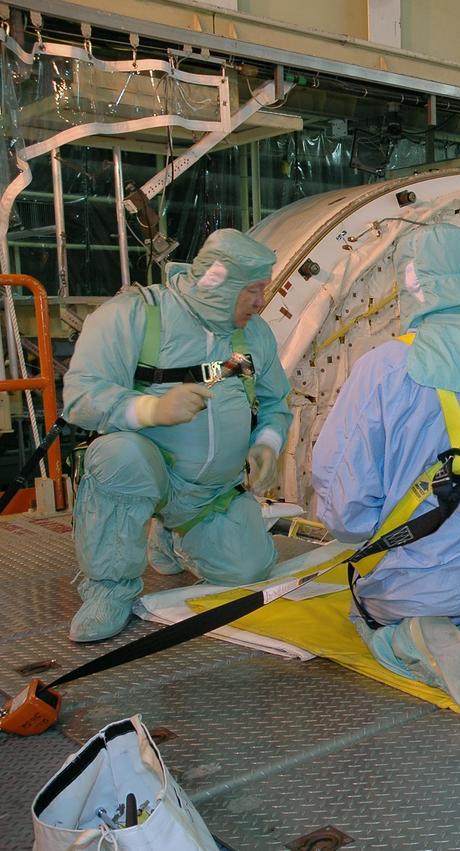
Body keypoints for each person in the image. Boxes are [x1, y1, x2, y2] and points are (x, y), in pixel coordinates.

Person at [311, 223, 460, 717]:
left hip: (409, 586)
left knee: (369, 609)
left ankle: (415, 636)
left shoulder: (383, 369)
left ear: (408, 284)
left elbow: (345, 512)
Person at [61, 229, 292, 642]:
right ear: (220, 284)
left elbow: (276, 405)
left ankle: (173, 536)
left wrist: (267, 445)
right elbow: (81, 397)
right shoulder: (134, 316)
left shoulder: (251, 336)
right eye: (253, 291)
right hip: (151, 474)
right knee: (117, 457)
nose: (261, 302)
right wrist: (150, 409)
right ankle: (109, 590)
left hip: (211, 493)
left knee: (249, 570)